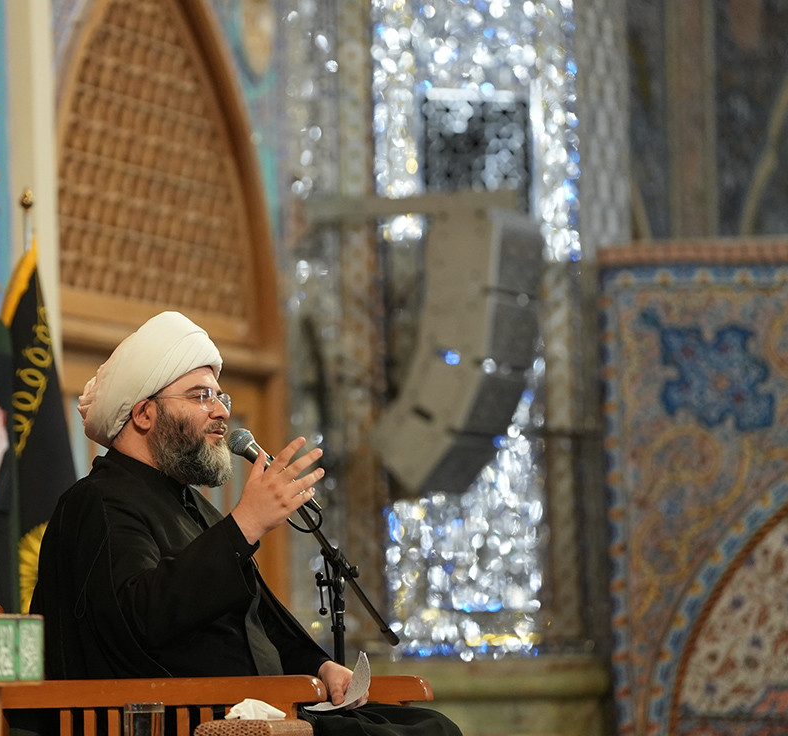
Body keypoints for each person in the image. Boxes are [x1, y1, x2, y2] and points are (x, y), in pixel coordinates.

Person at [25, 311, 461, 736]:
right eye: (201, 396)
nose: (220, 411)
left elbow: (253, 623)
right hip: (193, 721)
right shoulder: (98, 502)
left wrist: (319, 666)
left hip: (260, 710)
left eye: (221, 397)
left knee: (431, 726)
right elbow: (139, 621)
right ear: (144, 414)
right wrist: (245, 524)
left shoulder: (190, 506)